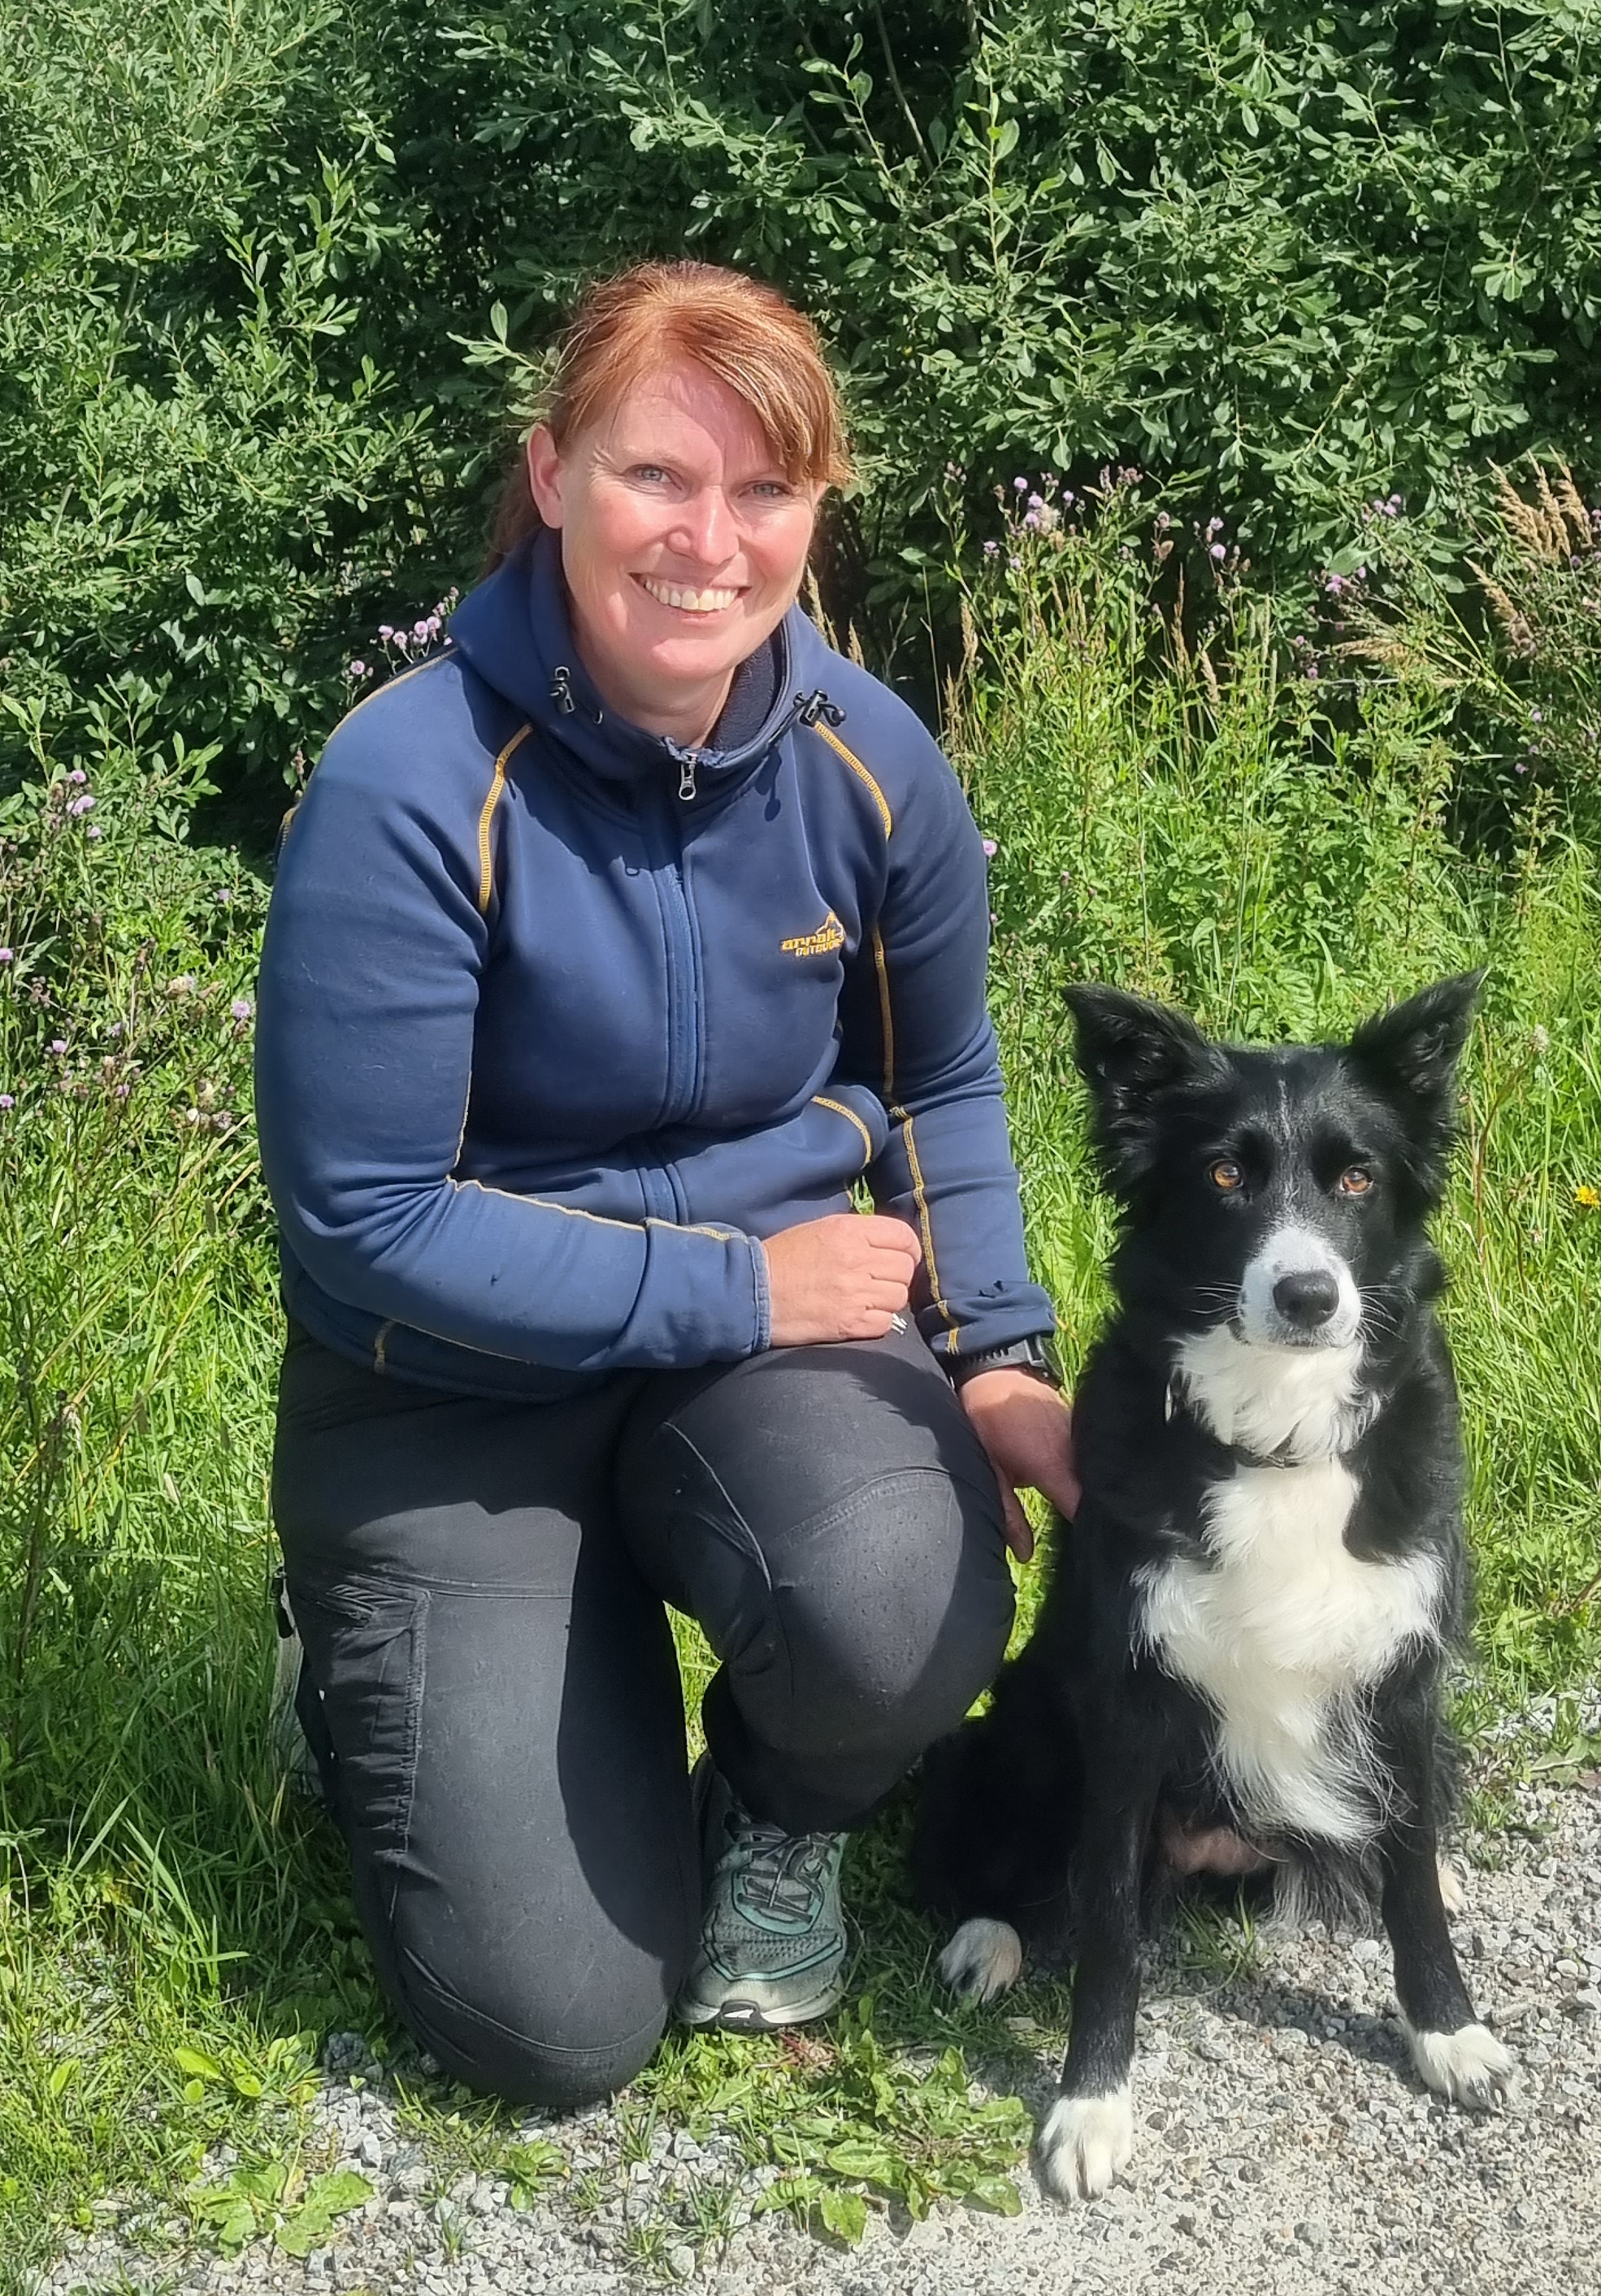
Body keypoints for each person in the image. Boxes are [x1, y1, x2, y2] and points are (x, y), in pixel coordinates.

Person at [255, 260, 1077, 2108]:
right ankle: (354, 1658)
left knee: (904, 1591)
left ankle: (778, 1820)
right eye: (656, 478)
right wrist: (735, 1286)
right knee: (547, 2030)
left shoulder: (874, 764)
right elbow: (364, 1221)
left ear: (813, 514)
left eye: (767, 492)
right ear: (550, 476)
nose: (711, 542)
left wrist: (1002, 1358)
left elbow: (936, 1080)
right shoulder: (405, 783)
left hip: (760, 1364)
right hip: (445, 1398)